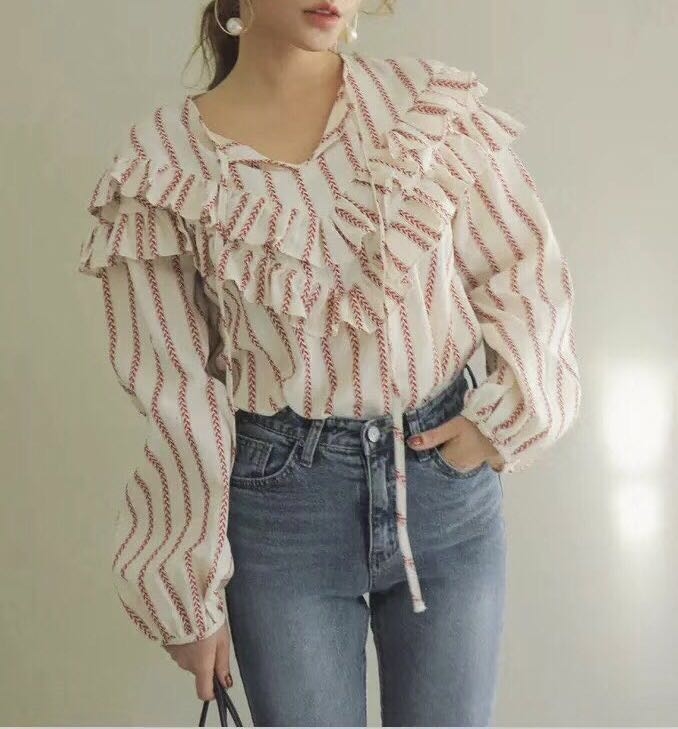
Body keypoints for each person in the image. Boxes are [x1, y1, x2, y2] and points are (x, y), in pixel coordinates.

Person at [77, 0, 581, 724]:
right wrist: (188, 589)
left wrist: (503, 420)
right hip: (283, 515)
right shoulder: (165, 162)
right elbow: (174, 390)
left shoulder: (421, 107)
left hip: (443, 493)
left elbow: (523, 268)